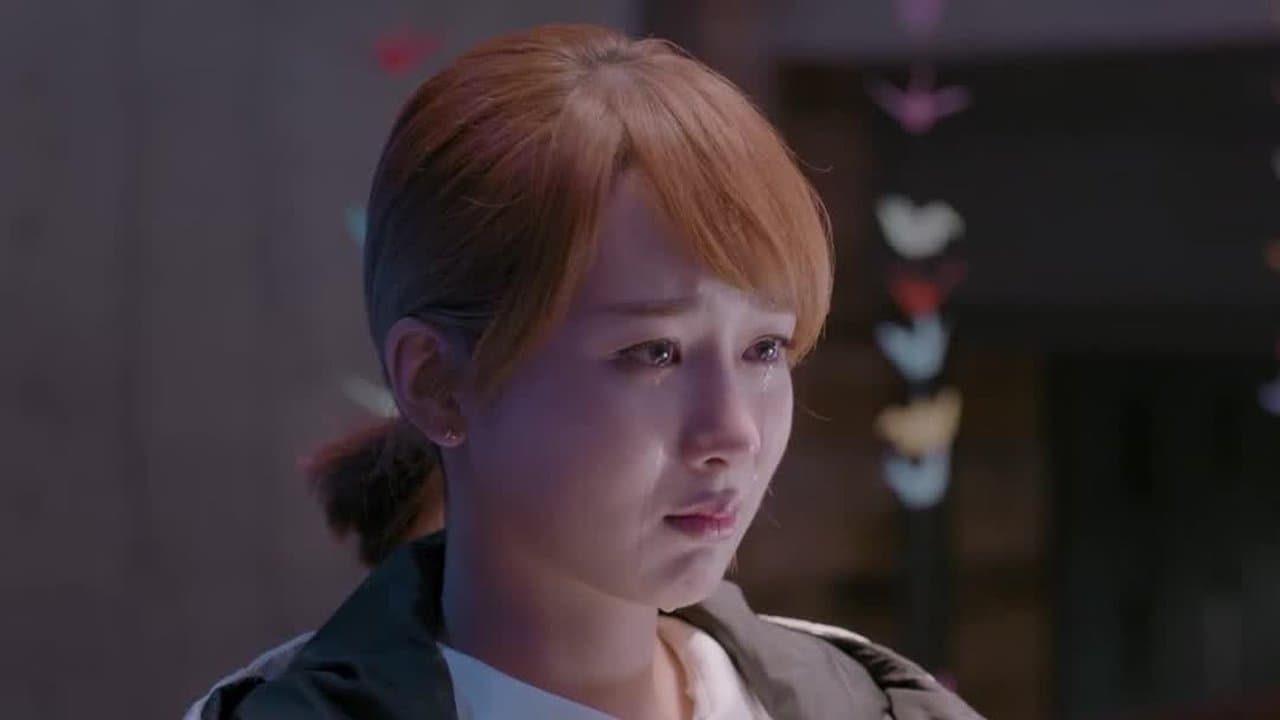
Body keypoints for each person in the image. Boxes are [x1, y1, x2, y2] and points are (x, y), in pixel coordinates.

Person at [187, 23, 983, 720]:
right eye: (654, 353)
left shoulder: (879, 706)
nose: (733, 431)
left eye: (765, 349)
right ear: (435, 382)